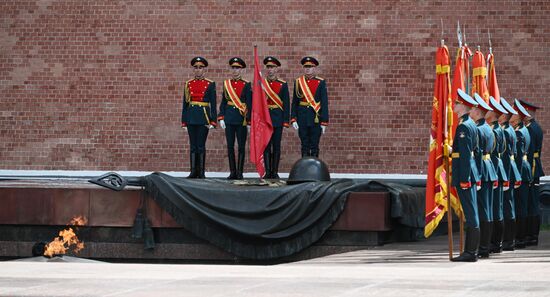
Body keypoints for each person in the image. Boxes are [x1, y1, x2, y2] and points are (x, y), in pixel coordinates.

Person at [451, 89, 481, 262]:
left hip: (466, 176)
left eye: (456, 103)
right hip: (471, 174)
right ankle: (471, 251)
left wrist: (464, 178)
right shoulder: (471, 124)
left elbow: (465, 154)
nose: (454, 105)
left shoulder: (464, 126)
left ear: (462, 106)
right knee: (472, 212)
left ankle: (470, 252)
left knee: (471, 214)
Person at [471, 93, 498, 258]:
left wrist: (478, 176)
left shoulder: (479, 129)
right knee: (487, 209)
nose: (471, 111)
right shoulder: (487, 128)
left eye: (473, 108)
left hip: (482, 170)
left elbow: (478, 153)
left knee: (482, 210)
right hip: (490, 169)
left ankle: (482, 247)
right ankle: (485, 247)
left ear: (478, 112)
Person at [181, 57, 217, 178]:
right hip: (191, 117)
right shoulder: (188, 84)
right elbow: (185, 104)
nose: (198, 70)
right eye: (195, 67)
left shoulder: (210, 84)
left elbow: (213, 103)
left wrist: (213, 121)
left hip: (203, 117)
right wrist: (184, 121)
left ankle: (201, 172)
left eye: (200, 67)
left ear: (204, 69)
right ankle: (193, 171)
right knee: (193, 146)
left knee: (201, 145)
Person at [218, 57, 252, 180]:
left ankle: (240, 172)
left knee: (241, 147)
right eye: (233, 68)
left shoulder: (246, 84)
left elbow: (249, 103)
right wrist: (221, 117)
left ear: (242, 70)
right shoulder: (227, 84)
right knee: (230, 146)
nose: (235, 70)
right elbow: (223, 102)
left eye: (237, 68)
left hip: (241, 119)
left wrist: (249, 121)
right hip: (229, 118)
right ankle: (232, 171)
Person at [291, 56, 329, 158]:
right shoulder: (298, 82)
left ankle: (314, 172)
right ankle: (305, 171)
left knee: (315, 145)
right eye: (306, 66)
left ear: (314, 68)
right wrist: (293, 118)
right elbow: (295, 102)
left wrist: (324, 121)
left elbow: (324, 103)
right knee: (304, 145)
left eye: (310, 67)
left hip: (315, 117)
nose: (308, 69)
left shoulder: (320, 82)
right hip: (302, 117)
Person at [519, 99, 544, 246]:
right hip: (534, 167)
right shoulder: (535, 127)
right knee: (532, 203)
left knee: (531, 203)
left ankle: (531, 234)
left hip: (532, 167)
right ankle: (532, 234)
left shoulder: (530, 129)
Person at [499, 97, 523, 251]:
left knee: (507, 207)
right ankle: (509, 240)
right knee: (509, 206)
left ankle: (508, 241)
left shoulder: (506, 132)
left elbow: (507, 157)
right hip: (511, 171)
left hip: (508, 172)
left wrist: (506, 178)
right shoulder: (510, 130)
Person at [486, 97, 509, 253]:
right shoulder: (500, 130)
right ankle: (497, 243)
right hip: (499, 170)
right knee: (498, 209)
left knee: (494, 209)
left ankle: (494, 243)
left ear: (493, 114)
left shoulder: (494, 131)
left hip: (493, 171)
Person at [262, 56, 290, 179]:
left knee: (276, 145)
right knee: (266, 146)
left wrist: (285, 121)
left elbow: (286, 103)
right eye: (268, 67)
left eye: (272, 67)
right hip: (265, 119)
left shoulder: (282, 85)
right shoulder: (261, 84)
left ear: (277, 69)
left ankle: (275, 171)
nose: (270, 70)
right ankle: (268, 171)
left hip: (278, 119)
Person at [510, 99, 532, 248]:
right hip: (526, 170)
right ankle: (522, 237)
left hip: (521, 171)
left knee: (520, 207)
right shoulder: (524, 129)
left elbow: (517, 158)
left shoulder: (518, 133)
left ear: (518, 116)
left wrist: (515, 176)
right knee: (523, 205)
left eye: (513, 112)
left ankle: (520, 237)